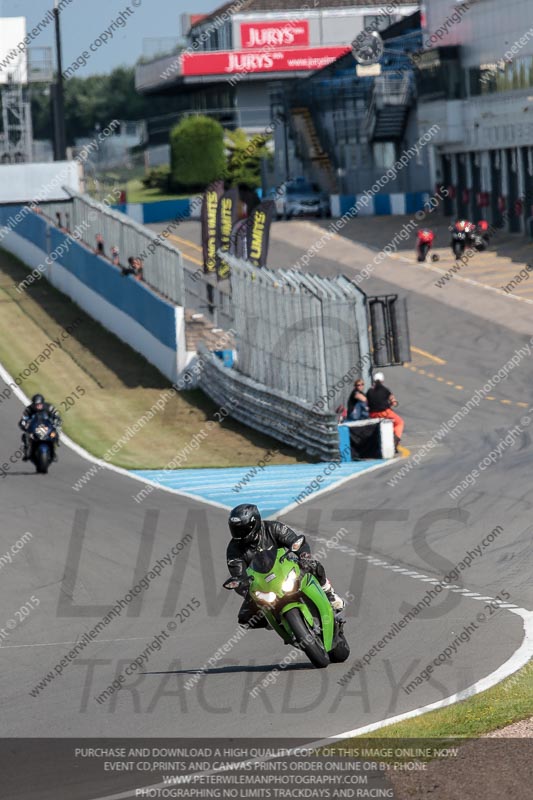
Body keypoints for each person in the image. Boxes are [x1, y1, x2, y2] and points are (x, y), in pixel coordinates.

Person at [227, 504, 345, 629]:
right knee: (245, 619)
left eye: (242, 529)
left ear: (254, 523)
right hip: (264, 584)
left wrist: (304, 556)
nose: (239, 534)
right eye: (235, 530)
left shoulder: (273, 528)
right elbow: (238, 576)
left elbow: (296, 542)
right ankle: (277, 623)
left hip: (287, 569)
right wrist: (247, 590)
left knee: (314, 565)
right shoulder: (233, 550)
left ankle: (329, 594)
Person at [366, 372, 404, 451]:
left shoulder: (369, 391)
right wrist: (394, 402)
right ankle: (396, 441)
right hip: (385, 413)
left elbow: (366, 403)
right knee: (399, 422)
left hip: (373, 415)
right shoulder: (385, 389)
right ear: (382, 380)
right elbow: (392, 399)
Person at [19, 394, 62, 462]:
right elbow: (23, 418)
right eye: (36, 405)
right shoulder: (29, 409)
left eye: (39, 404)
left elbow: (56, 414)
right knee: (25, 435)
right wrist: (23, 423)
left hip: (47, 427)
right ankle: (27, 451)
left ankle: (54, 451)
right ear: (33, 404)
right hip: (34, 428)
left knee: (54, 433)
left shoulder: (49, 407)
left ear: (42, 403)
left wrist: (57, 420)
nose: (38, 406)